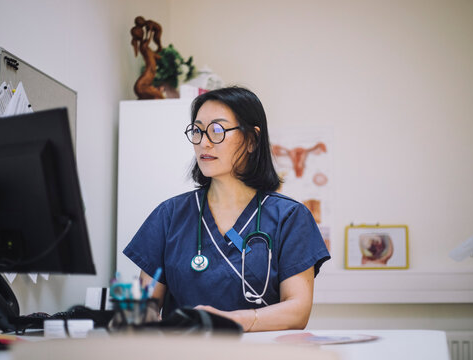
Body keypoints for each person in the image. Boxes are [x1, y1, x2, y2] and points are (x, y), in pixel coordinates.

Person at [123, 86, 330, 332]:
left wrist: (228, 322)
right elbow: (142, 307)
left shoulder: (290, 218)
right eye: (197, 131)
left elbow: (297, 310)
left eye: (217, 130)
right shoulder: (169, 216)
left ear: (252, 139)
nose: (204, 143)